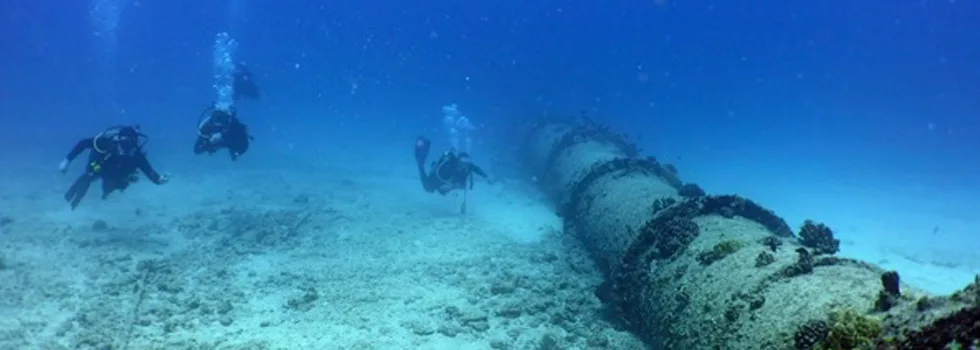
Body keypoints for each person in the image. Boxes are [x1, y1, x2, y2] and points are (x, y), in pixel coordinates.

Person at [59, 125, 169, 210]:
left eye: (130, 146)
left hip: (115, 175)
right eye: (124, 145)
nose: (126, 150)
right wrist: (67, 161)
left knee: (114, 189)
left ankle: (104, 201)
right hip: (100, 167)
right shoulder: (105, 143)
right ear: (118, 140)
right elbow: (83, 143)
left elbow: (148, 171)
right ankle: (69, 203)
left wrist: (159, 179)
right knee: (88, 176)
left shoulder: (136, 155)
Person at [414, 136, 491, 196]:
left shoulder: (469, 166)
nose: (465, 165)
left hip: (449, 184)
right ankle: (421, 154)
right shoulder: (449, 167)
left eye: (467, 163)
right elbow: (439, 178)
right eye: (462, 163)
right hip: (436, 180)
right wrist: (447, 187)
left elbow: (477, 169)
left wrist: (486, 177)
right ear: (458, 161)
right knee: (428, 188)